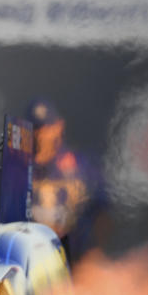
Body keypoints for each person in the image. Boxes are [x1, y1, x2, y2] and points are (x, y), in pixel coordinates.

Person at [26, 98, 106, 260]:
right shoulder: (18, 168)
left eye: (46, 128)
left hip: (76, 255)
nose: (40, 135)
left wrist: (95, 251)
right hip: (34, 259)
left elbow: (102, 209)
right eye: (35, 128)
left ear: (59, 126)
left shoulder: (79, 164)